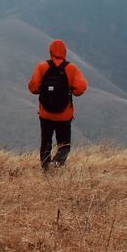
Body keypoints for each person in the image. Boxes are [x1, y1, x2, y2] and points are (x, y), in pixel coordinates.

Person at [28, 39, 88, 169]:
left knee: (46, 142)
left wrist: (44, 91)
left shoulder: (42, 67)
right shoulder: (71, 68)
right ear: (65, 52)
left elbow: (33, 88)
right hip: (64, 114)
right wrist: (70, 89)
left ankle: (45, 169)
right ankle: (57, 165)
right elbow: (81, 88)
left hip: (45, 113)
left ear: (50, 52)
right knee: (64, 144)